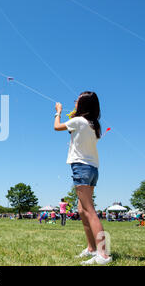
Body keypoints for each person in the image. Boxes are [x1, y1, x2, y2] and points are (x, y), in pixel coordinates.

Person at [54, 91, 111, 265]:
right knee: (81, 210)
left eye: (77, 101)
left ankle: (103, 254)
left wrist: (58, 111)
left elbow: (57, 127)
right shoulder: (94, 125)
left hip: (81, 167)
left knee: (89, 210)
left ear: (83, 105)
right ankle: (91, 248)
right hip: (93, 169)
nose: (75, 102)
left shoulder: (78, 121)